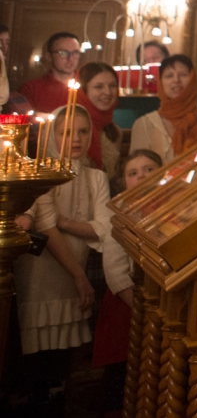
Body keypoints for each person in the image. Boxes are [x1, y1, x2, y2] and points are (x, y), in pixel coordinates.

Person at [12, 106, 114, 411]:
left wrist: (64, 221)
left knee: (62, 359)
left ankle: (57, 401)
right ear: (52, 135)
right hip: (41, 278)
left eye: (83, 131)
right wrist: (60, 225)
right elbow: (42, 224)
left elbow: (102, 228)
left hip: (73, 278)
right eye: (66, 132)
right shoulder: (40, 171)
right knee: (33, 357)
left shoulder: (96, 177)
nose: (76, 139)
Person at [91, 150, 161, 378]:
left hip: (165, 302)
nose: (142, 176)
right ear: (123, 182)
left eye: (149, 169)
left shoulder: (173, 210)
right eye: (133, 173)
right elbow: (115, 272)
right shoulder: (120, 215)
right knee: (127, 369)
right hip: (129, 302)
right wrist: (143, 310)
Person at [130, 54, 197, 163]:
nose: (176, 80)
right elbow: (136, 169)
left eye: (183, 75)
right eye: (169, 76)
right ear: (160, 82)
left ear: (192, 79)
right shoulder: (144, 125)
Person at [17, 32, 82, 112]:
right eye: (63, 53)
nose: (70, 58)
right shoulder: (32, 89)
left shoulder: (88, 84)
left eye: (75, 53)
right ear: (49, 56)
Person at [77, 62, 123, 176]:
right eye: (99, 87)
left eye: (112, 86)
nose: (108, 92)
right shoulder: (66, 126)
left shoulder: (114, 131)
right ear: (83, 91)